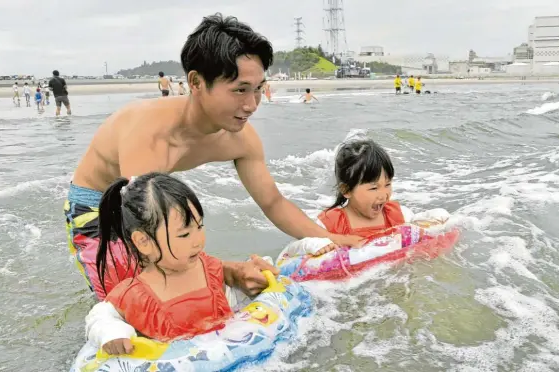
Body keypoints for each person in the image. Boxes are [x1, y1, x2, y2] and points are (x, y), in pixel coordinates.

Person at [65, 13, 361, 301]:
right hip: (99, 207)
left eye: (258, 89)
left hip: (149, 213)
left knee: (185, 286)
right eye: (240, 90)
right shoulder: (149, 135)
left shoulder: (239, 138)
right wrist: (230, 271)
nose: (251, 104)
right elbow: (147, 230)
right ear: (195, 83)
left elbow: (273, 202)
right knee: (133, 295)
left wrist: (332, 239)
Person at [85, 173, 267, 355]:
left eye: (200, 226)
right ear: (143, 241)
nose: (198, 241)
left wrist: (259, 275)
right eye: (184, 234)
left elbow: (238, 291)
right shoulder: (134, 294)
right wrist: (113, 334)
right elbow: (100, 317)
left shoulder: (209, 269)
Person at [287, 139, 448, 256]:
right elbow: (291, 251)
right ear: (347, 190)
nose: (384, 194)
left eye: (388, 184)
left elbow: (417, 225)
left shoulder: (397, 214)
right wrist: (311, 244)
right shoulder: (330, 223)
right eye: (373, 187)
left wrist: (432, 217)